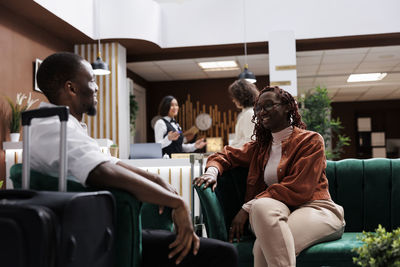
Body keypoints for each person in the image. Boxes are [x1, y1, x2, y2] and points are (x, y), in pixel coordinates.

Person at [33, 52, 238, 267]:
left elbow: (111, 162)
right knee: (223, 254)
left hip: (100, 229)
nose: (96, 88)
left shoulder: (65, 126)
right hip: (90, 239)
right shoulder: (55, 128)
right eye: (92, 80)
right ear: (71, 88)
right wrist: (177, 202)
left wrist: (158, 181)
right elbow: (102, 171)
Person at [194, 86, 345, 267]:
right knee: (261, 206)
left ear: (287, 107)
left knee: (261, 247)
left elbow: (299, 188)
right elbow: (224, 155)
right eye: (258, 108)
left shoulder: (310, 141)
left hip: (316, 208)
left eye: (268, 105)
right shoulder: (260, 147)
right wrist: (212, 172)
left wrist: (246, 208)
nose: (262, 111)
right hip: (278, 209)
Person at [228, 79, 259, 148]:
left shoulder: (249, 114)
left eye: (234, 97)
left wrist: (230, 150)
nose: (233, 100)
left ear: (241, 97)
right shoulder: (249, 112)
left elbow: (250, 141)